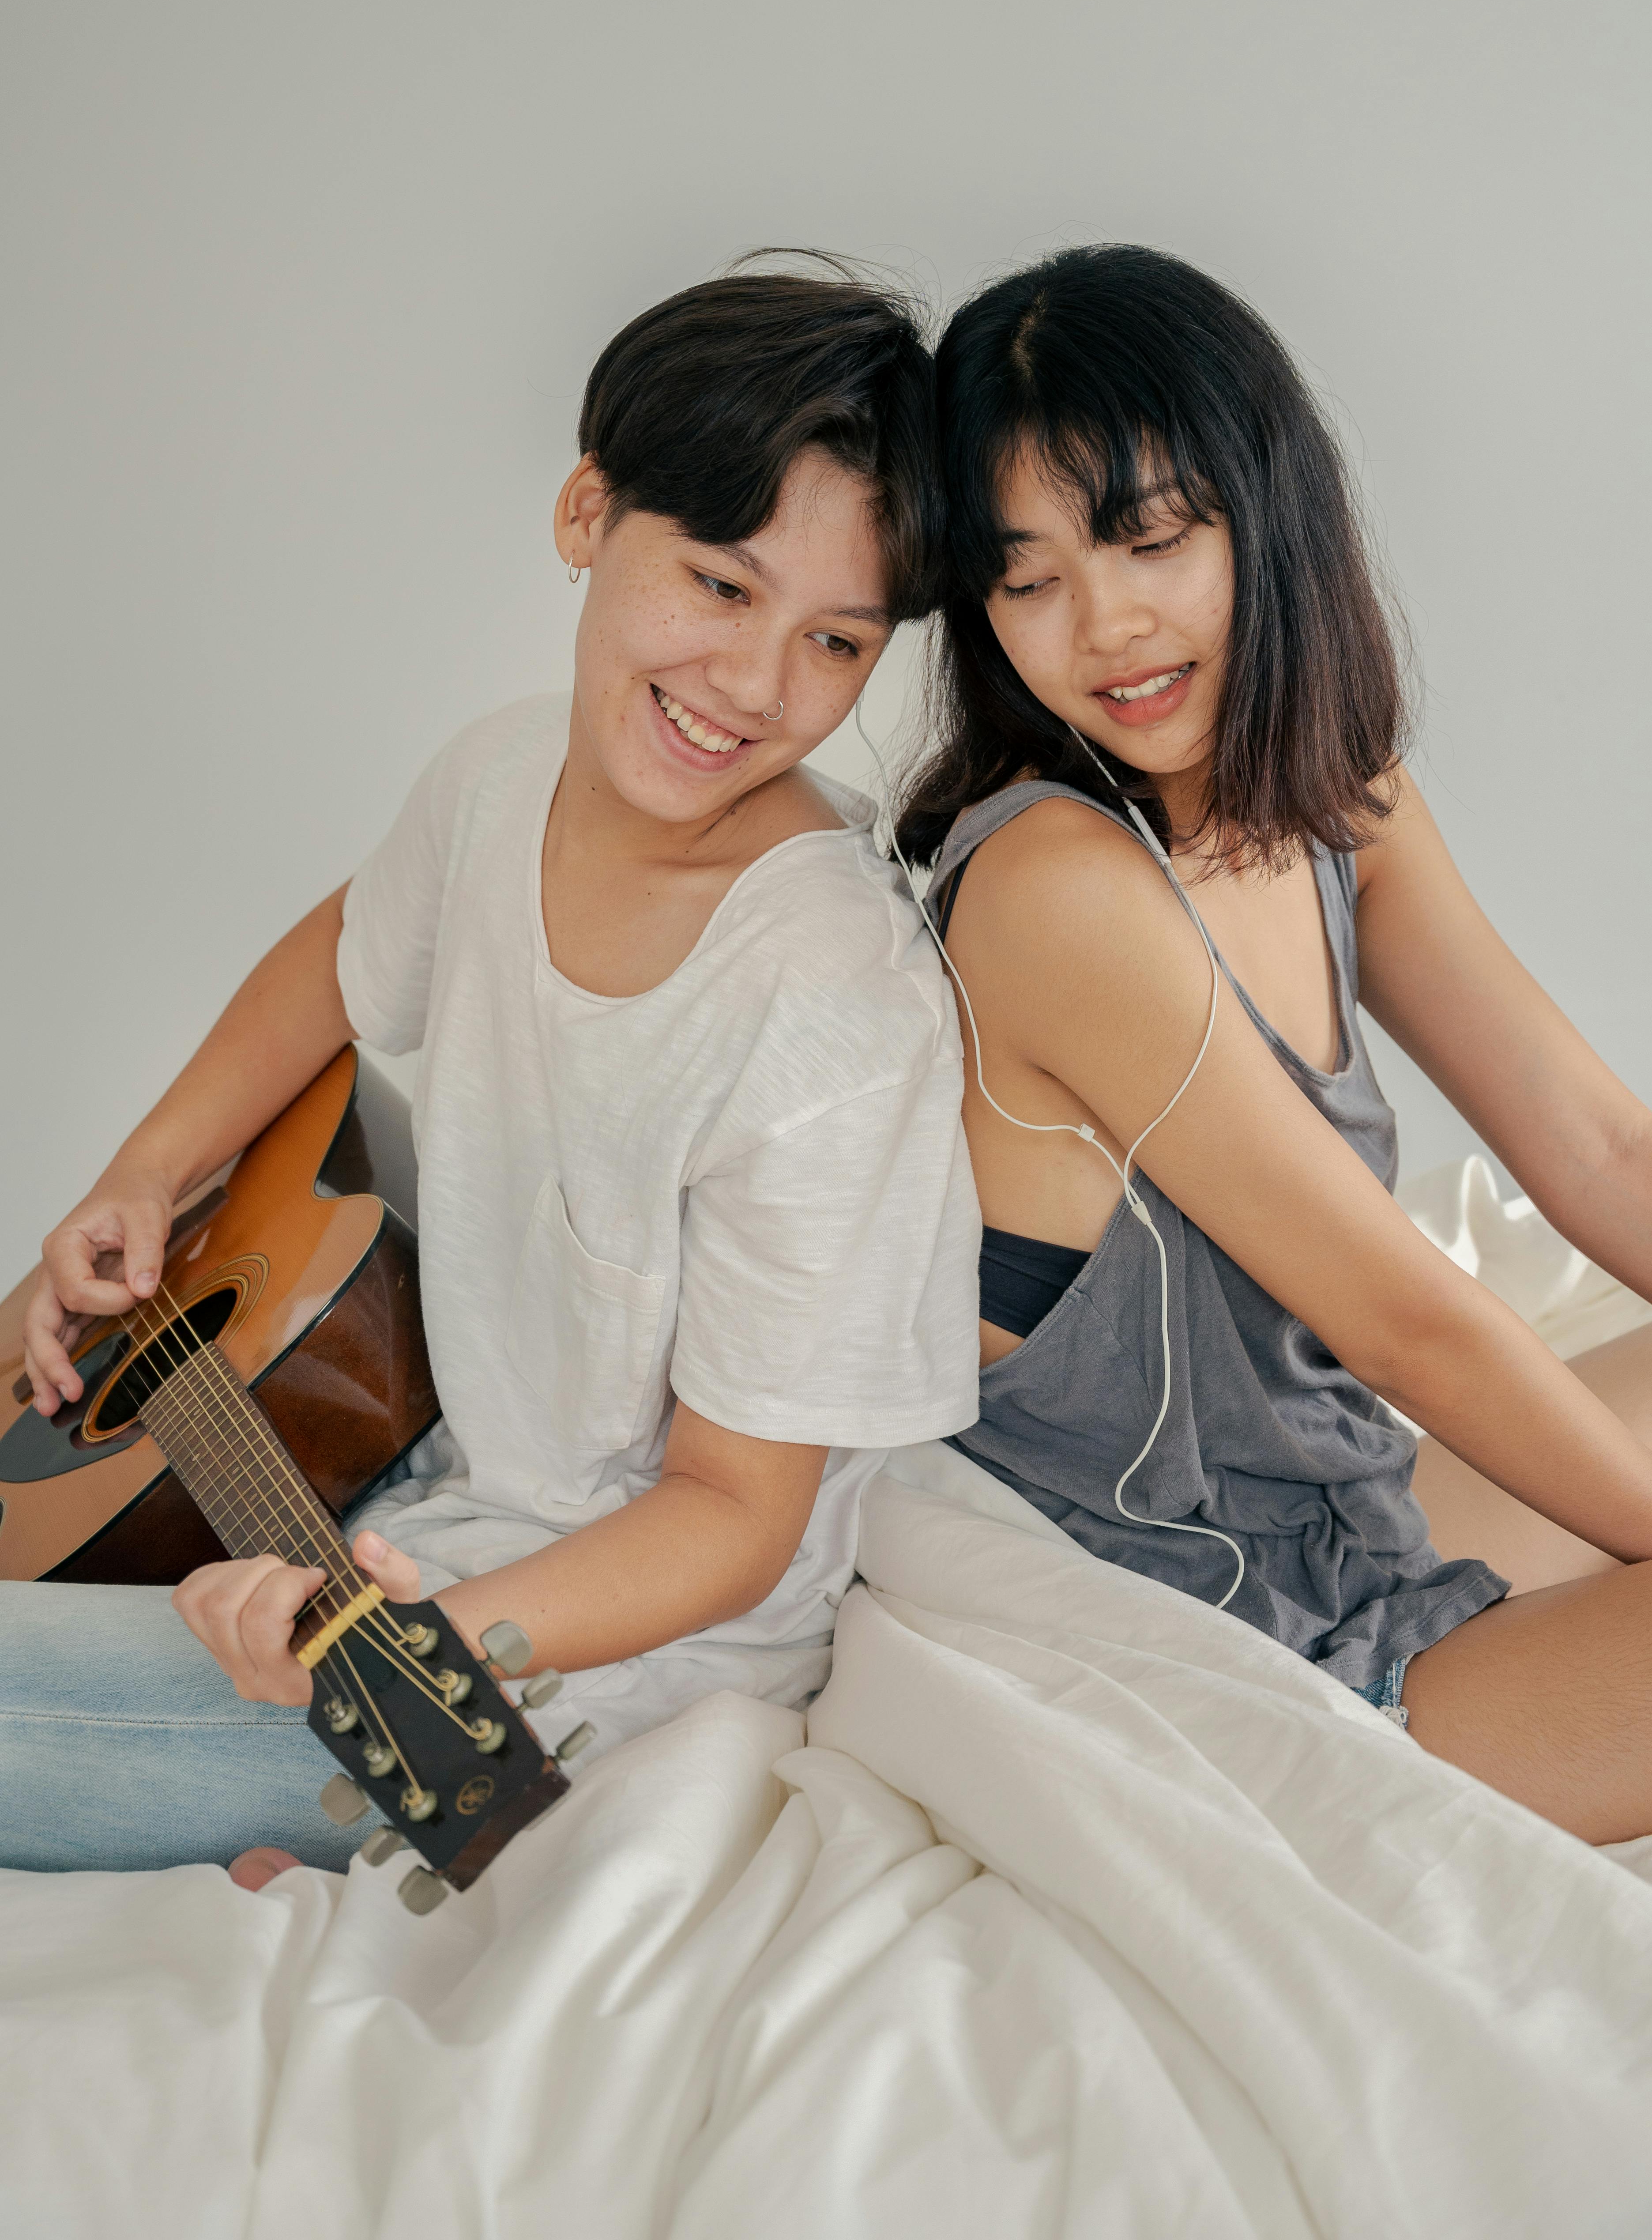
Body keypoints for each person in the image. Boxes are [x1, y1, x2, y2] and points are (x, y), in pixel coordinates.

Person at [8, 265, 979, 1882]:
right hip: (419, 1492)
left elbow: (736, 1521)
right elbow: (343, 952)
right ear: (586, 511)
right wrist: (146, 1171)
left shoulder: (830, 996)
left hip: (603, 1663)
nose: (754, 688)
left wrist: (395, 1646)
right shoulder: (500, 773)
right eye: (721, 588)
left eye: (834, 641)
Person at [894, 242, 1652, 1849]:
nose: (1102, 628)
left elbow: (1598, 1148)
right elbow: (1415, 1327)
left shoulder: (1335, 805)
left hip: (1353, 1516)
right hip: (1220, 1649)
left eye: (1147, 539)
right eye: (1028, 578)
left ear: (1263, 512)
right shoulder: (1054, 885)